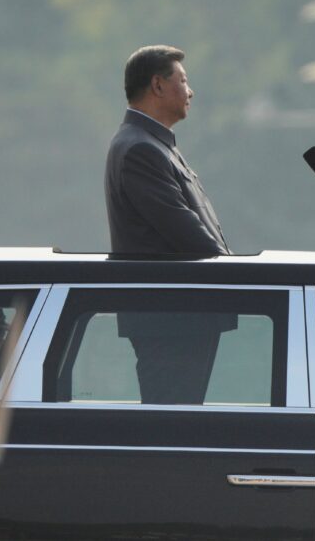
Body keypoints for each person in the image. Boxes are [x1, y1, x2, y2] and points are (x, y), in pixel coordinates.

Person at [104, 45, 235, 404]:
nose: (190, 92)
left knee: (182, 418)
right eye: (183, 81)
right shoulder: (140, 149)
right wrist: (238, 274)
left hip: (182, 316)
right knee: (171, 423)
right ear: (158, 86)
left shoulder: (153, 144)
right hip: (170, 319)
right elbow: (186, 232)